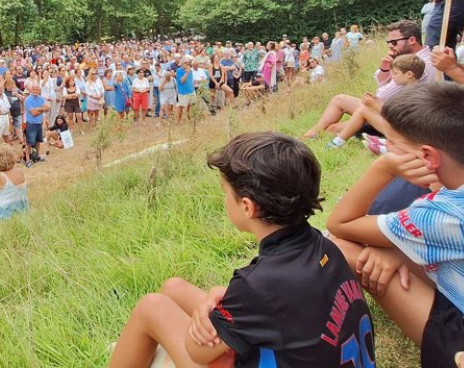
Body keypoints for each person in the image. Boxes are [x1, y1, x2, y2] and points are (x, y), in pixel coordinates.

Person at [108, 132, 375, 368]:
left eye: (226, 192)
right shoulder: (323, 245)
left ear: (247, 206)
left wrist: (208, 316)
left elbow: (198, 353)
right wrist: (214, 306)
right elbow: (280, 303)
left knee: (151, 307)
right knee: (173, 287)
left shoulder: (257, 284)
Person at [327, 82, 464, 368]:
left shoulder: (436, 215)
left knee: (340, 248)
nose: (387, 151)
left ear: (427, 156)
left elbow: (340, 224)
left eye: (393, 145)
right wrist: (399, 248)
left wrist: (383, 168)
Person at [303, 20, 435, 139]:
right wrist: (384, 68)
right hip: (388, 109)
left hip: (398, 117)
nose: (390, 46)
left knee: (332, 127)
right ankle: (313, 133)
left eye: (394, 42)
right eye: (388, 43)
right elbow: (380, 83)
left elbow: (382, 95)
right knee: (339, 99)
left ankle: (313, 137)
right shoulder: (409, 58)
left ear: (412, 40)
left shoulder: (420, 65)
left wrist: (376, 95)